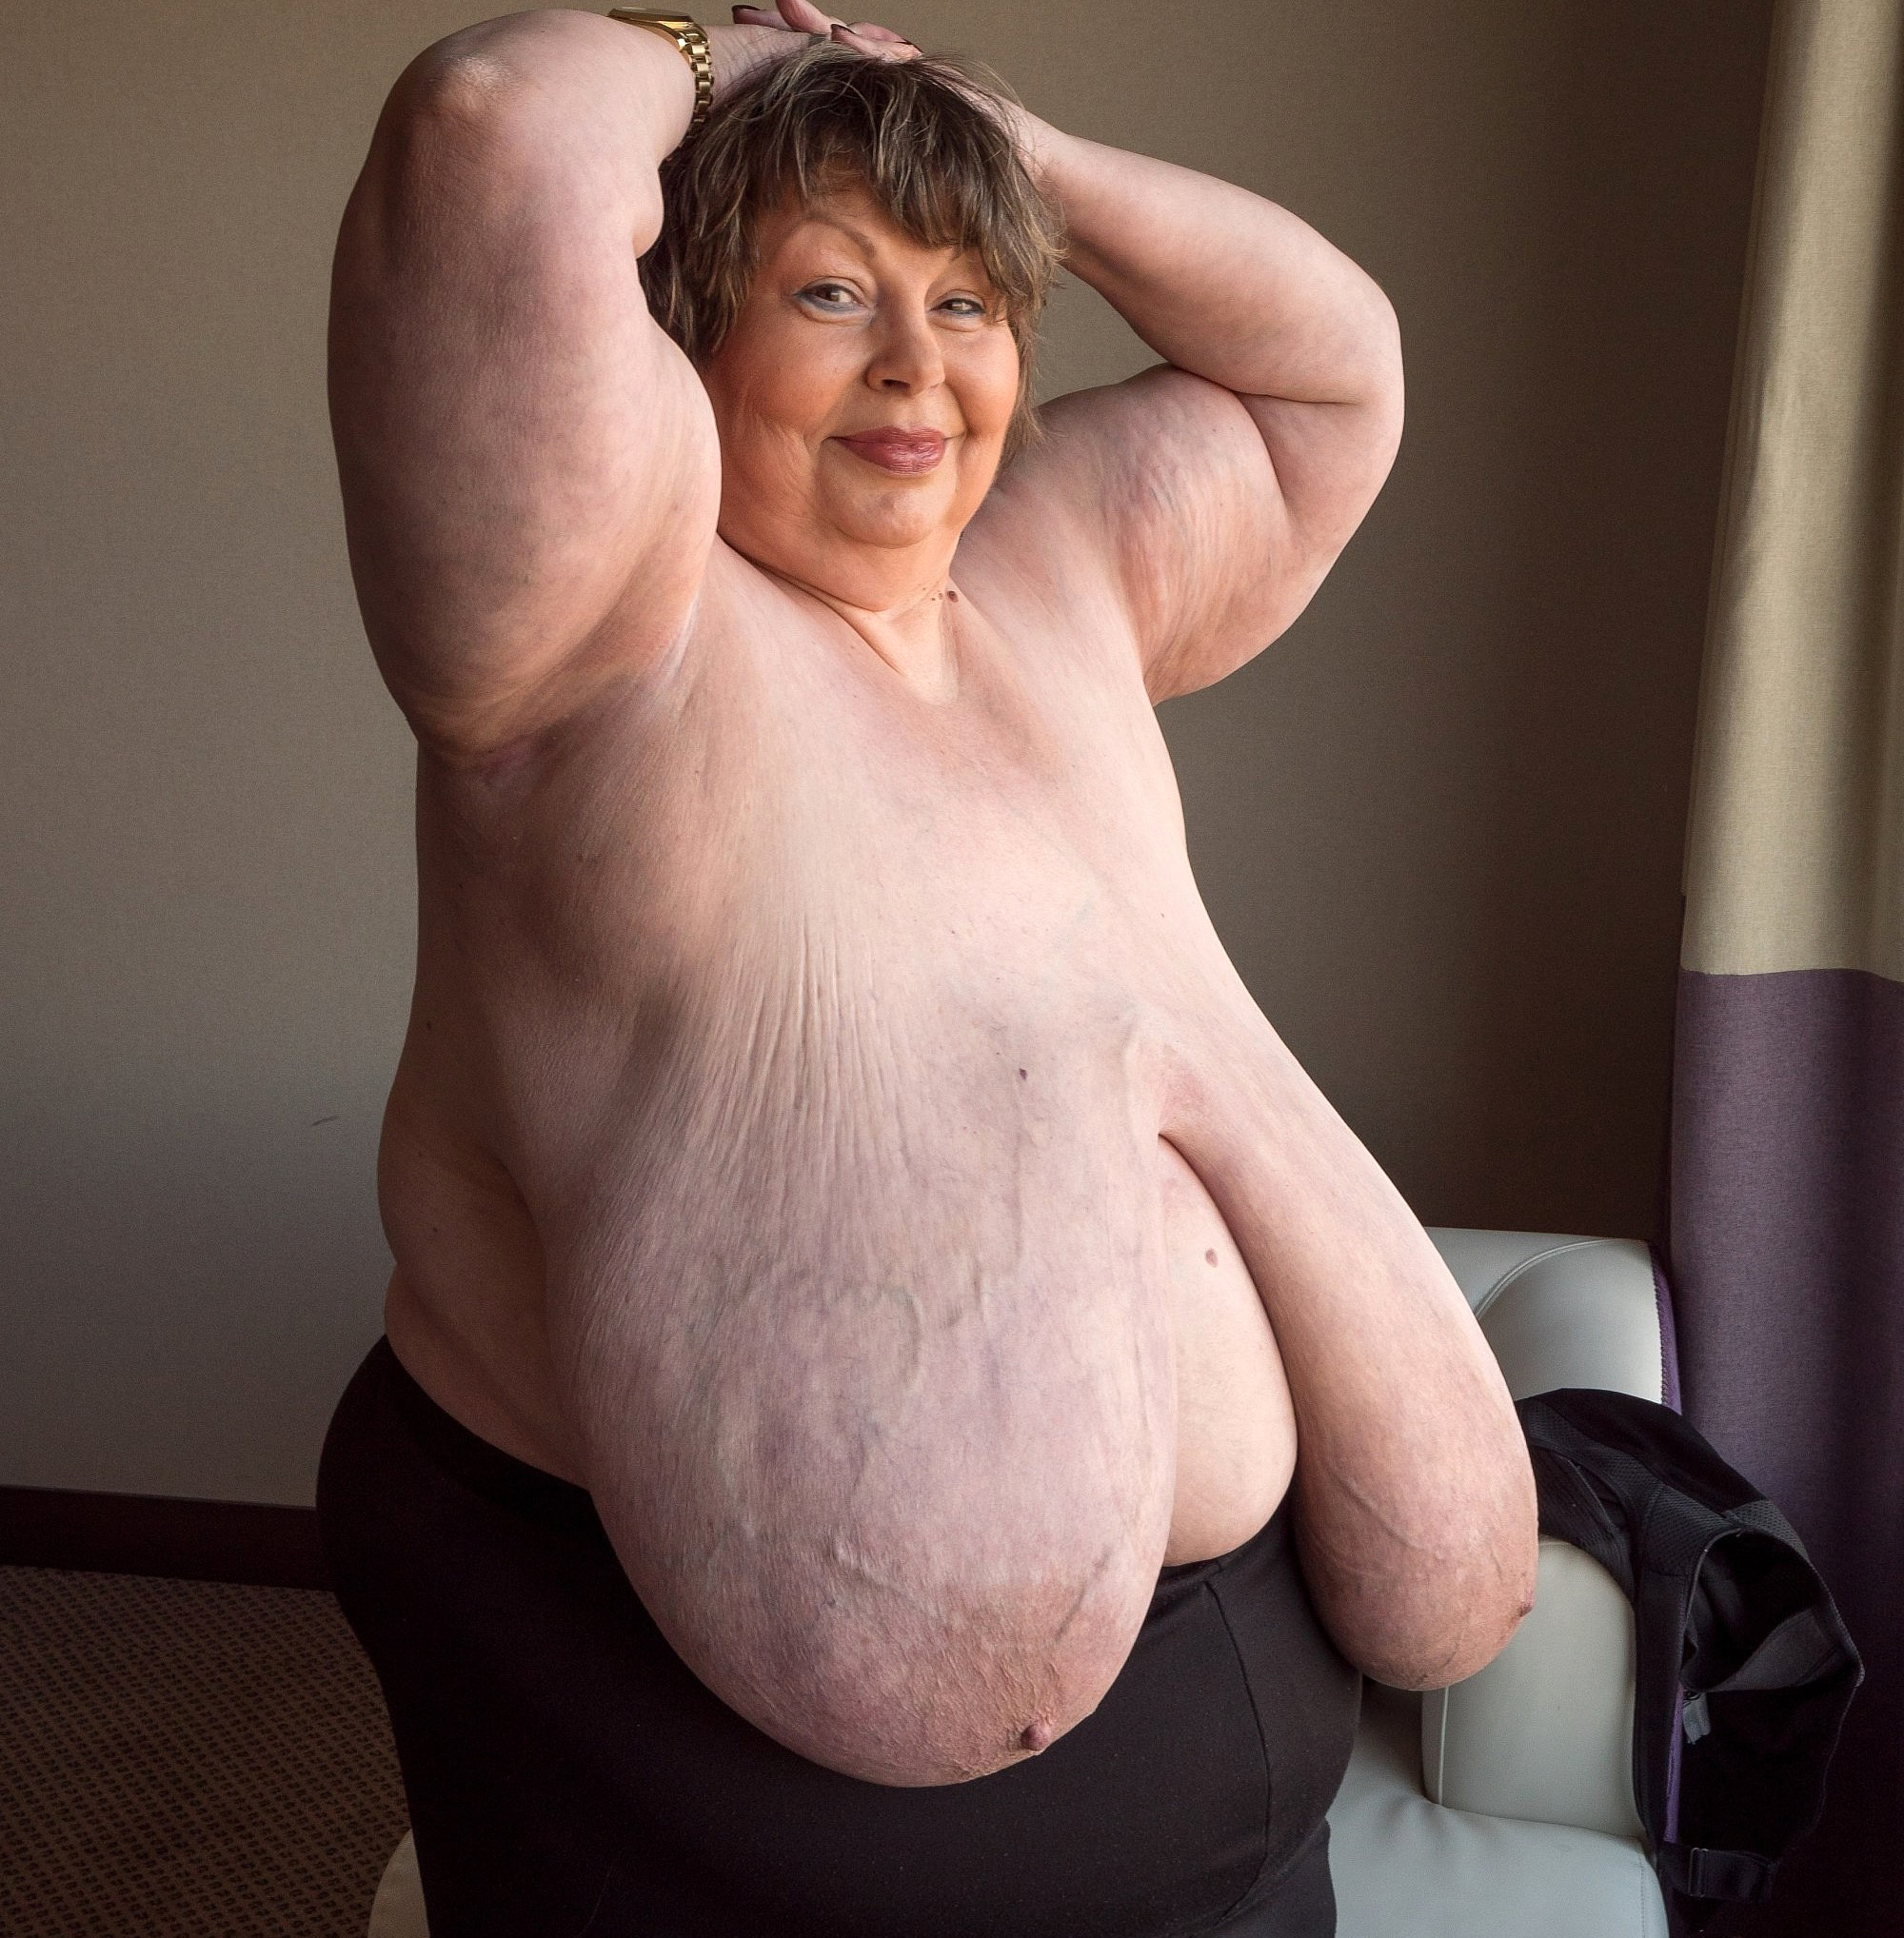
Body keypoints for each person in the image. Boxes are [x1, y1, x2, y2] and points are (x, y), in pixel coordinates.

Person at [317, 6, 1539, 1934]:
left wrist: (1009, 152)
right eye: (829, 291)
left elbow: (1335, 373)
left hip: (1237, 1826)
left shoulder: (1061, 569)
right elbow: (489, 131)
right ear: (682, 333)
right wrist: (735, 59)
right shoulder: (601, 620)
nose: (916, 364)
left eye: (967, 302)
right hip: (685, 1775)